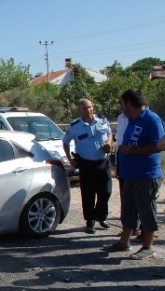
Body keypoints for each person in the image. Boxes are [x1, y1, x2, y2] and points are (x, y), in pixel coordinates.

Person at [103, 88, 164, 260]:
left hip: (146, 175)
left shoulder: (151, 120)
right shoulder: (131, 120)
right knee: (128, 210)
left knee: (146, 211)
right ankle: (124, 242)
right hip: (129, 174)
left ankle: (148, 246)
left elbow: (158, 145)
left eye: (122, 103)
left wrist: (133, 151)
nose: (121, 107)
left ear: (130, 103)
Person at [63, 98, 114, 234]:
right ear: (79, 110)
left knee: (106, 192)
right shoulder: (74, 126)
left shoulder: (102, 120)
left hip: (103, 162)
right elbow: (65, 142)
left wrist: (109, 143)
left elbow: (109, 133)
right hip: (86, 164)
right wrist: (70, 159)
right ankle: (90, 220)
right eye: (85, 108)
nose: (88, 110)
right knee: (88, 194)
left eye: (90, 107)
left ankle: (101, 216)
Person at [115, 98, 142, 238]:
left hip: (135, 161)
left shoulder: (139, 119)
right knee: (125, 195)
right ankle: (129, 228)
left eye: (122, 103)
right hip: (122, 159)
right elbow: (119, 140)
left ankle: (140, 229)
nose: (120, 106)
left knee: (138, 197)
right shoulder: (121, 118)